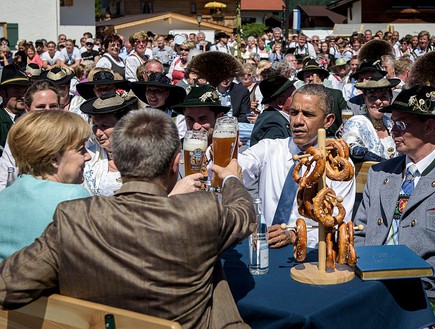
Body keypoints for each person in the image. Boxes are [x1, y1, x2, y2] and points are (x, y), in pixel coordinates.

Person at [0, 108, 255, 329]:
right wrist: (232, 178)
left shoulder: (73, 217)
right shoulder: (201, 213)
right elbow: (245, 215)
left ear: (118, 163)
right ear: (175, 164)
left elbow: (7, 286)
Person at [239, 84, 355, 248]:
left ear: (328, 120)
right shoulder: (269, 149)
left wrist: (295, 235)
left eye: (308, 114)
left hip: (312, 255)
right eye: (293, 113)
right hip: (265, 250)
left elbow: (337, 220)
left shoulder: (338, 165)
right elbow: (240, 166)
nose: (298, 121)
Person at [353, 84, 435, 270]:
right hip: (372, 281)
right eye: (393, 123)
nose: (393, 131)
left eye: (402, 124)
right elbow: (359, 232)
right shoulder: (379, 174)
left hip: (424, 288)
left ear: (429, 126)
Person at [0, 110, 91, 261]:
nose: (88, 156)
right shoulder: (73, 197)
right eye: (81, 149)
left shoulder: (4, 195)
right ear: (54, 159)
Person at [0, 79, 62, 191]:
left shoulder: (69, 135)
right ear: (27, 109)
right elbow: (5, 176)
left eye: (53, 106)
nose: (48, 111)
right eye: (41, 107)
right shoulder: (18, 137)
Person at [81, 93, 138, 196]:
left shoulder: (143, 154)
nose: (98, 133)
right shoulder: (89, 157)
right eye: (95, 125)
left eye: (104, 125)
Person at [342, 77, 400, 162]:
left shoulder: (391, 123)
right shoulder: (356, 122)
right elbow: (351, 148)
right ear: (365, 99)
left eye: (383, 96)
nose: (378, 102)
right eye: (372, 97)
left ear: (390, 99)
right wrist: (385, 164)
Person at [295, 59, 347, 137]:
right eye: (307, 76)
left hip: (333, 138)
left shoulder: (336, 94)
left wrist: (343, 127)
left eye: (313, 75)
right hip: (309, 139)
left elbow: (346, 115)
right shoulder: (300, 98)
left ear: (321, 77)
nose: (311, 79)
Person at [130, 72, 187, 138]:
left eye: (157, 91)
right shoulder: (137, 116)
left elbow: (178, 142)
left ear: (166, 94)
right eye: (149, 90)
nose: (152, 94)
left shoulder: (178, 118)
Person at [250, 74, 295, 146]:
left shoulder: (278, 117)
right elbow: (274, 154)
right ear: (280, 102)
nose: (299, 99)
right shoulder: (273, 124)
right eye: (293, 96)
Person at [0, 64, 30, 154]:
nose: (22, 96)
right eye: (16, 92)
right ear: (2, 93)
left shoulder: (31, 117)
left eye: (25, 91)